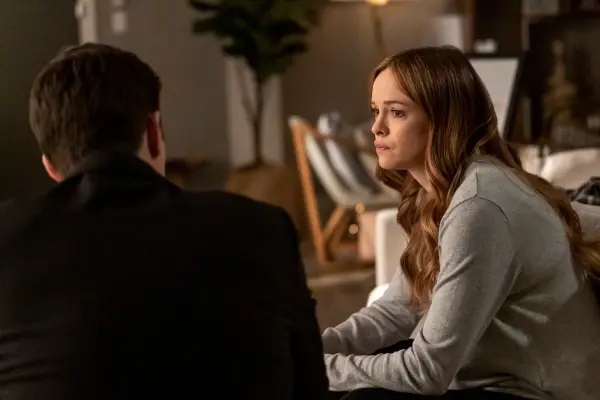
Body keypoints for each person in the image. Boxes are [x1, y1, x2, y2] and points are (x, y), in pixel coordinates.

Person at [0, 43, 328, 400]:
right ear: (154, 132)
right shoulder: (263, 229)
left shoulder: (8, 242)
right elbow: (310, 386)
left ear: (50, 166)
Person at [323, 46, 600, 400]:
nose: (377, 127)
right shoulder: (438, 192)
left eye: (396, 112)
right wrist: (306, 354)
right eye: (376, 110)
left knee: (362, 395)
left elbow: (427, 371)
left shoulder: (479, 207)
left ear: (443, 120)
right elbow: (396, 310)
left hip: (533, 393)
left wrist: (318, 369)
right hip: (487, 380)